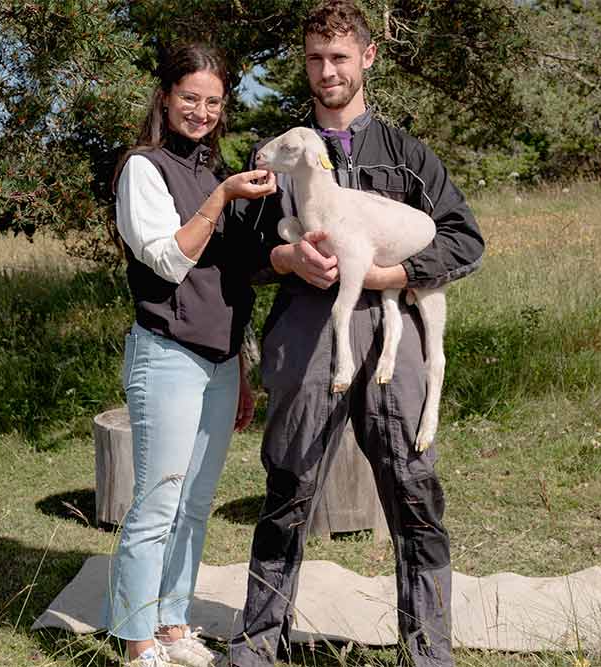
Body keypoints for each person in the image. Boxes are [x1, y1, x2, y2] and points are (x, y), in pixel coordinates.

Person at [228, 3, 485, 667]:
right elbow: (240, 251)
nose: (326, 70)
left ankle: (427, 650)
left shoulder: (406, 155)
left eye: (339, 57)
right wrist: (285, 259)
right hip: (306, 339)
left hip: (394, 345)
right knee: (287, 486)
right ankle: (258, 643)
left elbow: (464, 239)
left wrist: (392, 272)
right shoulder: (280, 152)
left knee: (414, 489)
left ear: (367, 57)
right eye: (315, 57)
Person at [104, 43, 277, 667]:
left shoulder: (213, 168)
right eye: (190, 98)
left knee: (195, 504)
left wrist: (241, 367)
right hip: (168, 355)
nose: (201, 111)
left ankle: (174, 626)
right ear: (165, 97)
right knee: (156, 503)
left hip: (220, 361)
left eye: (213, 101)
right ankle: (135, 640)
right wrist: (223, 198)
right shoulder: (142, 169)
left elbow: (229, 281)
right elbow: (172, 259)